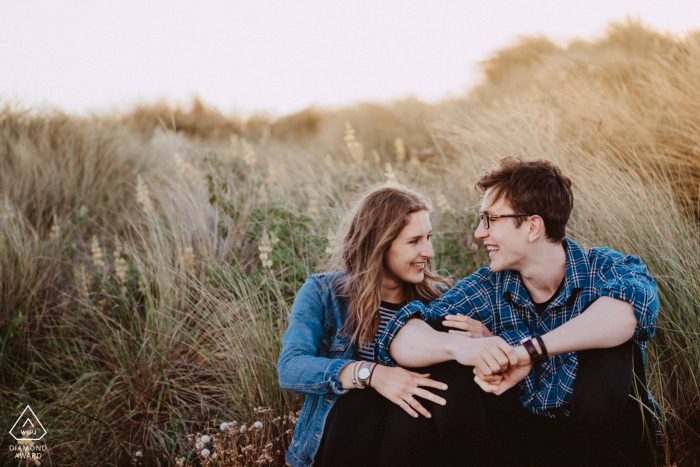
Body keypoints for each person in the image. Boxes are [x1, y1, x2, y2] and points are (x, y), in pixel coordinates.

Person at [372, 156, 672, 466]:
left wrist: (526, 352)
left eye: (490, 220)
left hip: (607, 443)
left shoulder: (607, 270)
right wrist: (468, 348)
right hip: (528, 443)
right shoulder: (489, 287)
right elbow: (401, 333)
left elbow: (626, 314)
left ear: (532, 226)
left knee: (611, 348)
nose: (479, 233)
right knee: (445, 364)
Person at [277, 185, 453, 467]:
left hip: (408, 446)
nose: (429, 252)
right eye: (414, 241)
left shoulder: (437, 301)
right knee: (360, 400)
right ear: (379, 243)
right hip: (338, 445)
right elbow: (291, 368)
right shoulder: (324, 294)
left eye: (429, 238)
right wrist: (369, 373)